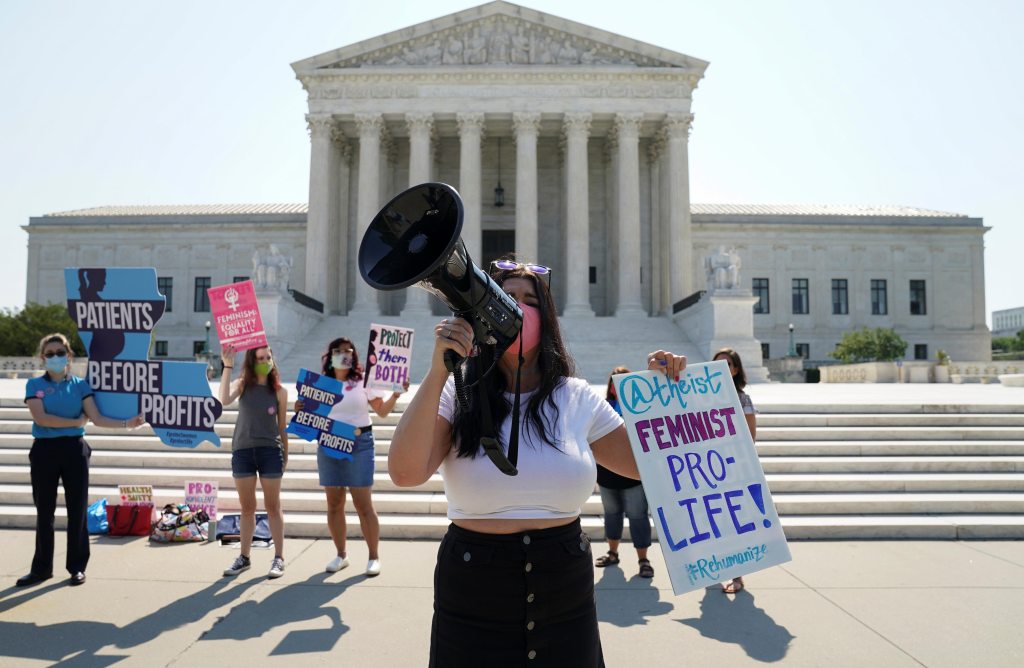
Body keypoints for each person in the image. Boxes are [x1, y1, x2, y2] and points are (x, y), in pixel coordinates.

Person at [388, 261, 687, 667]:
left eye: (531, 301)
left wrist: (663, 397)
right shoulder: (457, 395)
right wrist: (440, 369)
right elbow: (405, 472)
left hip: (564, 588)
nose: (518, 309)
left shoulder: (577, 397)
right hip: (474, 590)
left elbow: (646, 465)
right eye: (506, 298)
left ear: (547, 319)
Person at [18, 333, 144, 588]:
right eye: (50, 353)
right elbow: (42, 419)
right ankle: (41, 569)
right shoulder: (34, 386)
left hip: (74, 451)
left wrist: (127, 423)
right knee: (45, 512)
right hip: (44, 450)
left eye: (59, 352)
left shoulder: (80, 385)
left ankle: (77, 567)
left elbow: (96, 418)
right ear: (43, 358)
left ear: (69, 356)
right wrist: (76, 422)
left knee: (77, 511)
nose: (55, 357)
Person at [299, 337, 406, 577]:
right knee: (334, 503)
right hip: (329, 443)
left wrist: (396, 396)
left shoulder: (364, 381)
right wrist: (300, 410)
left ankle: (374, 556)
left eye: (348, 351)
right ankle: (341, 554)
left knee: (362, 503)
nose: (344, 354)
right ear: (331, 355)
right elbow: (310, 416)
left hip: (360, 443)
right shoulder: (321, 383)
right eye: (339, 351)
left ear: (354, 356)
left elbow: (382, 412)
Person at [219, 344, 290, 579]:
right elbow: (223, 398)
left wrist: (285, 455)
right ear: (252, 360)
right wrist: (227, 365)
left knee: (273, 507)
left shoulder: (280, 392)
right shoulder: (243, 385)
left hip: (270, 451)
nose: (266, 361)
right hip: (243, 451)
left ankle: (279, 557)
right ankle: (244, 557)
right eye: (261, 358)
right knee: (247, 508)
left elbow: (282, 428)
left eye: (269, 357)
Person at [594, 366, 654, 579]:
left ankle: (643, 559)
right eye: (614, 382)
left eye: (623, 382)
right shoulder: (602, 408)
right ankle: (613, 553)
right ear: (610, 387)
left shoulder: (641, 409)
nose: (617, 387)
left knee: (638, 516)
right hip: (607, 473)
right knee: (612, 515)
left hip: (633, 474)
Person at [713, 347, 757, 594]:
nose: (721, 370)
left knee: (734, 522)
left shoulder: (743, 400)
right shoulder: (699, 399)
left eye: (726, 365)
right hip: (705, 470)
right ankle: (715, 566)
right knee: (712, 522)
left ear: (736, 369)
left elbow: (750, 438)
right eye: (716, 365)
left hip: (733, 468)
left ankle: (737, 575)